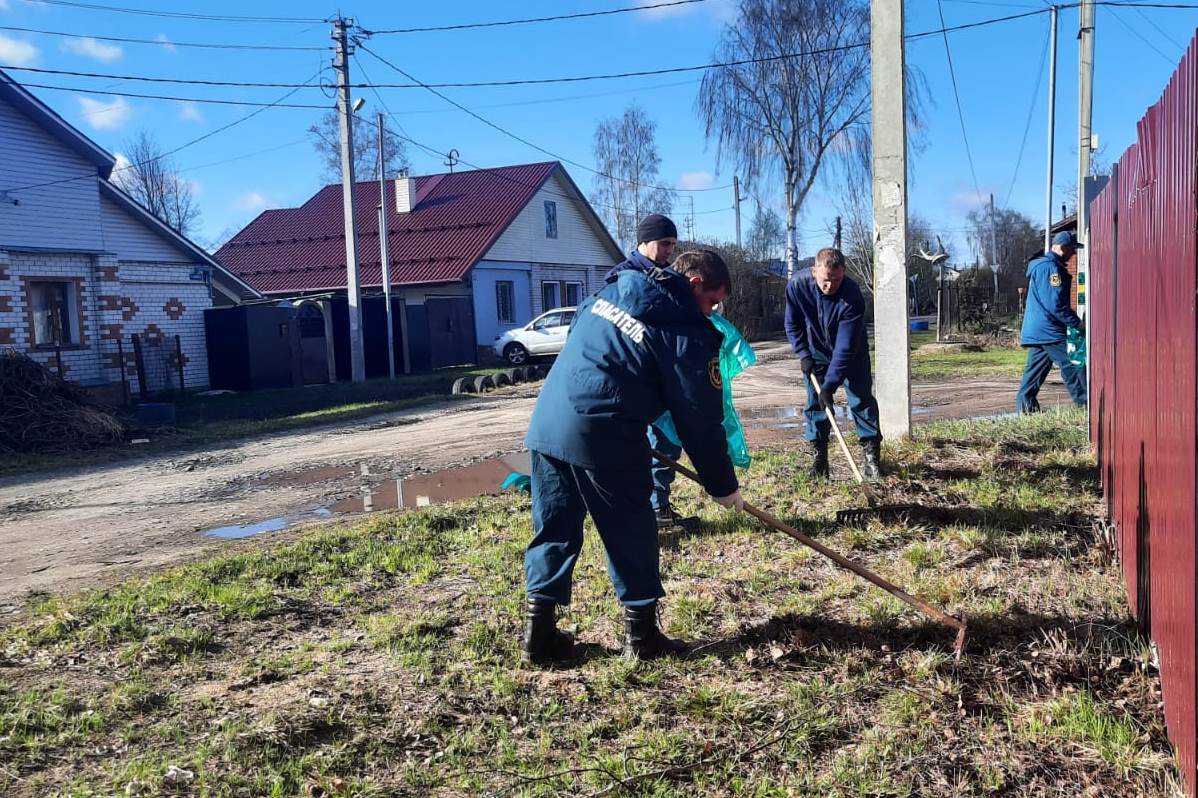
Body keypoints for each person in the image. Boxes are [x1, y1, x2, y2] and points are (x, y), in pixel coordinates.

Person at [522, 249, 743, 665]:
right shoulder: (683, 330)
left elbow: (591, 351)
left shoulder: (612, 292)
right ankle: (642, 639)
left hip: (547, 422)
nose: (713, 312)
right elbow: (699, 420)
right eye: (713, 301)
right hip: (604, 431)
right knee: (631, 528)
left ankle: (539, 635)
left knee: (554, 525)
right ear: (694, 284)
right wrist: (723, 485)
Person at [603, 214, 694, 532]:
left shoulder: (659, 275)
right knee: (654, 444)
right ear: (645, 241)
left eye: (673, 244)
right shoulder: (624, 278)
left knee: (666, 443)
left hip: (655, 376)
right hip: (632, 378)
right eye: (665, 243)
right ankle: (652, 510)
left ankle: (658, 506)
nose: (670, 250)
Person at [784, 247, 882, 480]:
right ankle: (819, 459)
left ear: (844, 273)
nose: (831, 286)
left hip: (853, 353)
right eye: (826, 280)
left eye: (837, 279)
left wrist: (830, 385)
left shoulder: (852, 296)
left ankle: (871, 459)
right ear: (814, 270)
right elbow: (792, 324)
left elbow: (845, 346)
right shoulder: (797, 287)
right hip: (816, 352)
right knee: (815, 403)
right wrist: (804, 354)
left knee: (861, 399)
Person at [1016, 230, 1087, 413]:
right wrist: (1077, 323)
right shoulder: (1051, 269)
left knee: (1034, 372)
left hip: (1038, 330)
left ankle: (1025, 409)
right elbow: (1055, 305)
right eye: (1072, 249)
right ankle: (1085, 404)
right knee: (1072, 364)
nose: (1073, 254)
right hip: (1049, 330)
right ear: (1063, 248)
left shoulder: (1042, 266)